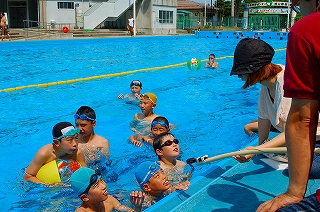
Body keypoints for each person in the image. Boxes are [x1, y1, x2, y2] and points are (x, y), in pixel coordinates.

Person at [256, 10, 320, 212]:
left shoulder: (306, 30)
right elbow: (264, 132)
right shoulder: (264, 90)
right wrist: (257, 148)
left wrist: (294, 192)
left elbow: (304, 120)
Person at [230, 38, 291, 163]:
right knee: (248, 127)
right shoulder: (265, 85)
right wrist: (258, 149)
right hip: (290, 130)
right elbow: (263, 121)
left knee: (306, 166)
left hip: (311, 135)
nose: (238, 75)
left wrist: (256, 150)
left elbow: (292, 132)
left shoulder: (287, 83)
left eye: (242, 71)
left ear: (254, 69)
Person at [70, 167, 143, 212]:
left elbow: (129, 210)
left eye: (101, 180)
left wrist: (137, 206)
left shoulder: (109, 200)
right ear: (84, 197)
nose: (104, 186)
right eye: (96, 185)